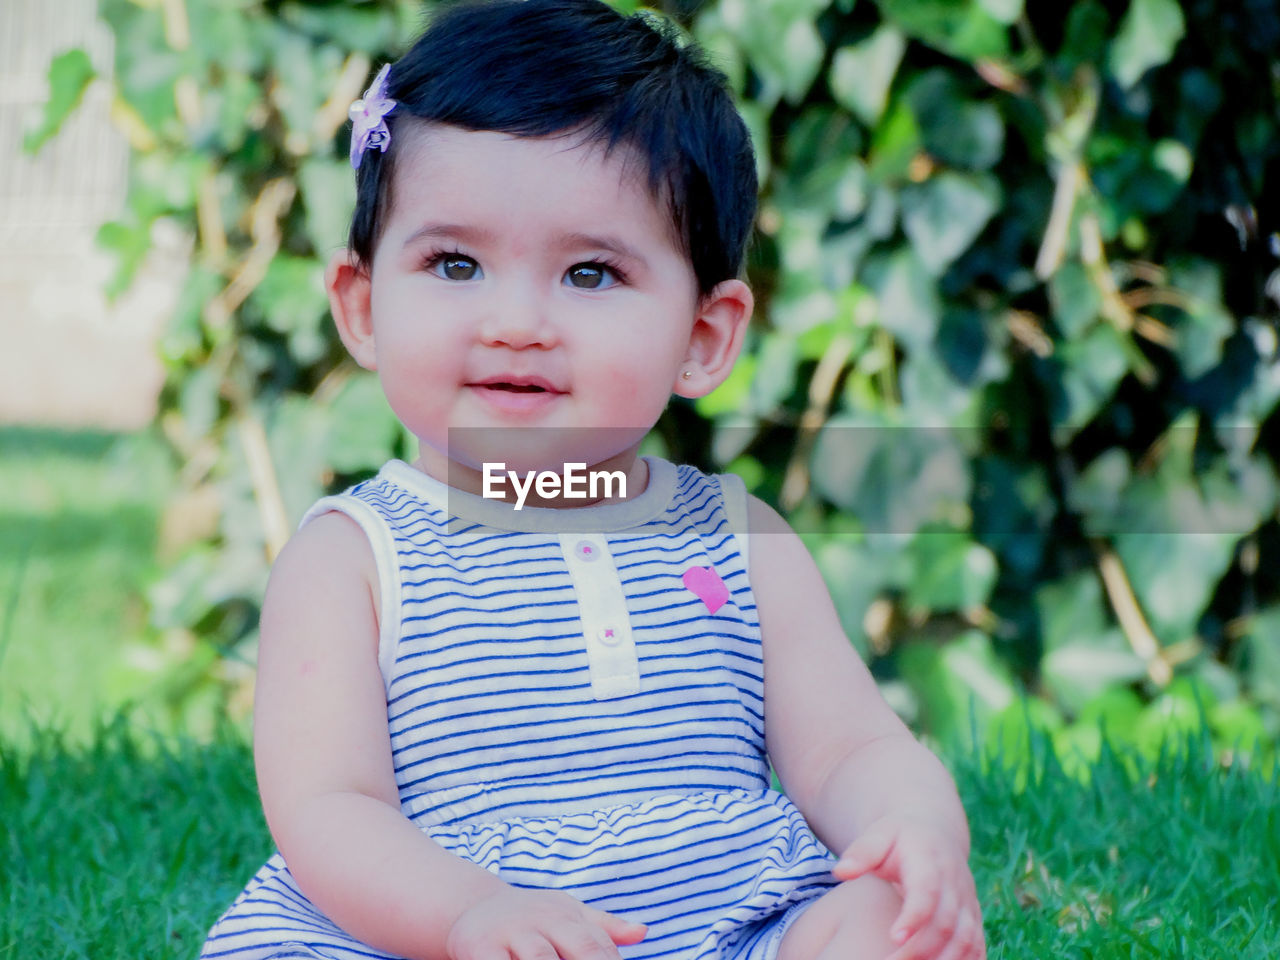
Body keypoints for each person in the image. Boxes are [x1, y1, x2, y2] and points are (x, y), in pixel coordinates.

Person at [200, 2, 985, 959]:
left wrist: (912, 825)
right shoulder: (354, 560)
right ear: (363, 306)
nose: (517, 320)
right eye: (455, 263)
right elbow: (329, 806)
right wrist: (468, 916)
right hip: (440, 928)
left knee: (874, 927)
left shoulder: (739, 540)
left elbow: (852, 746)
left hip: (718, 920)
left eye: (589, 275)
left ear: (703, 337)